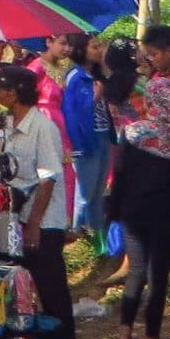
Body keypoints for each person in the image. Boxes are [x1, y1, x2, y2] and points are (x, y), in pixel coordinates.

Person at [110, 26, 170, 339]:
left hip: (133, 207)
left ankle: (124, 333)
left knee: (136, 269)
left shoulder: (131, 133)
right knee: (158, 273)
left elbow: (119, 172)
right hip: (163, 207)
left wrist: (115, 207)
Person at [0, 63, 82, 339]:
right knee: (20, 287)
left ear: (15, 93)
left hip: (43, 221)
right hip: (16, 217)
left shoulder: (43, 127)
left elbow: (48, 179)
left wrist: (33, 225)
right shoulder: (5, 125)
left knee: (51, 287)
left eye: (1, 88)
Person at [58, 34, 114, 262]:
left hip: (102, 136)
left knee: (98, 190)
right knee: (86, 191)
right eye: (94, 47)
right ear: (81, 50)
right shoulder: (76, 77)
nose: (99, 50)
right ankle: (78, 235)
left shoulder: (95, 76)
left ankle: (97, 234)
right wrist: (96, 97)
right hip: (86, 140)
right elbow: (74, 113)